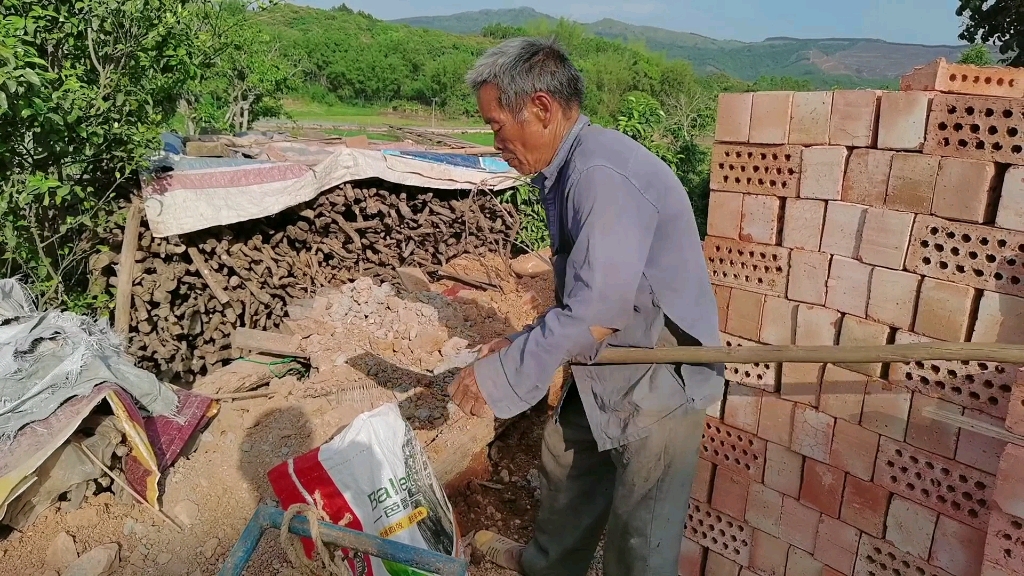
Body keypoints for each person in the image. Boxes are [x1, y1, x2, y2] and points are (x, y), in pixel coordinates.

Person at [447, 37, 725, 576]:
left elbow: (597, 309)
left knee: (639, 539)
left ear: (542, 109)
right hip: (610, 357)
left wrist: (502, 374)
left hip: (658, 371)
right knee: (565, 459)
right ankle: (547, 567)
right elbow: (586, 294)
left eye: (497, 124)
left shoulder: (601, 175)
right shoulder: (570, 167)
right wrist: (520, 340)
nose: (494, 139)